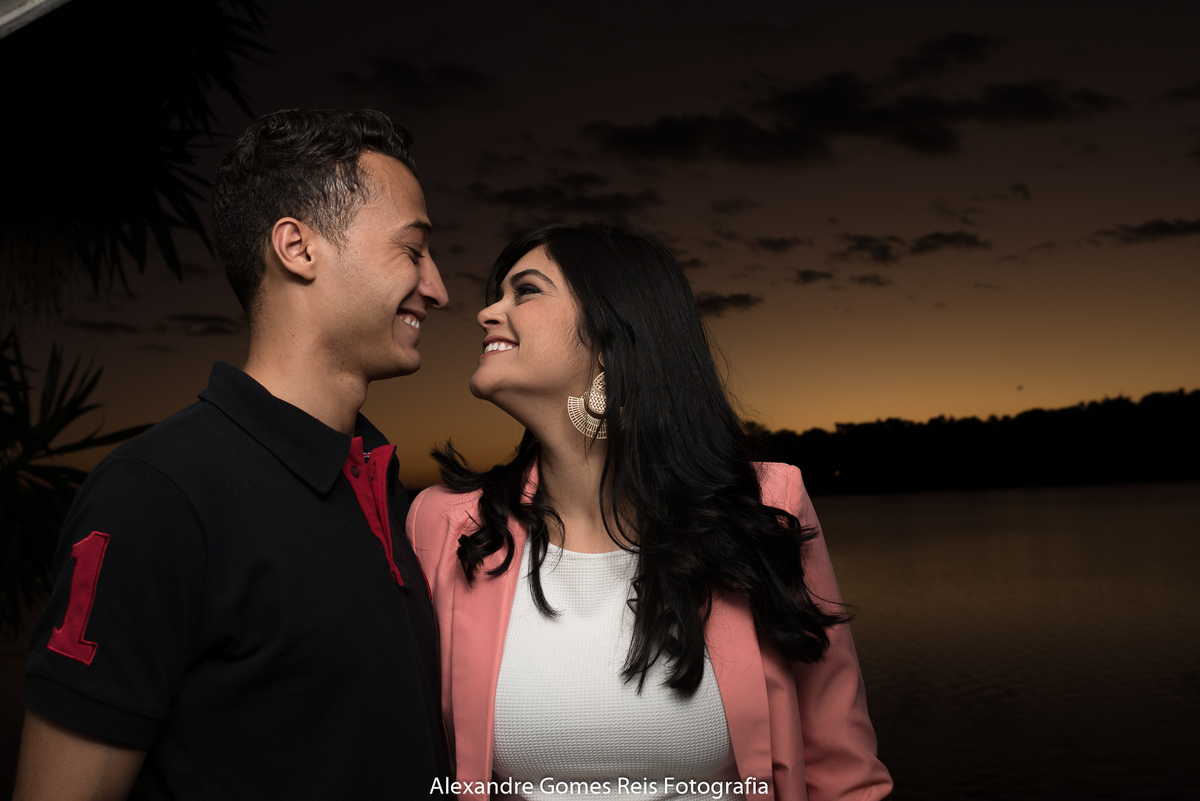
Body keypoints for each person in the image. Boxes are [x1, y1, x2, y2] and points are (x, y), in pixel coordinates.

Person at [15, 108, 451, 800]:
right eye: (413, 250)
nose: (438, 288)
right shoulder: (155, 494)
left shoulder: (379, 481)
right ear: (297, 247)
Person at [407, 221, 892, 801]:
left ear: (613, 331)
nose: (487, 311)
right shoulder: (444, 525)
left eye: (526, 290)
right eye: (499, 293)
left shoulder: (764, 507)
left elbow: (844, 776)